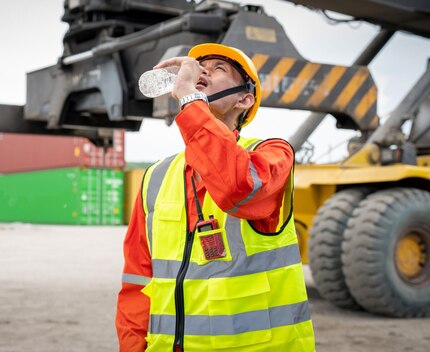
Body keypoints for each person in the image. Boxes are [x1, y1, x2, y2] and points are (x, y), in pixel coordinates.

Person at [116, 43, 316, 352]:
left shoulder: (271, 153)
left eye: (217, 69)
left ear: (244, 99)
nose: (202, 72)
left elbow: (235, 186)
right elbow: (137, 281)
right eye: (200, 68)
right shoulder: (156, 176)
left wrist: (190, 99)